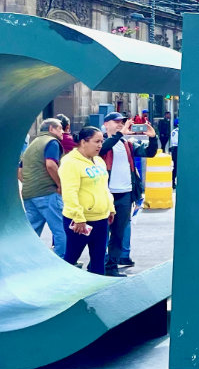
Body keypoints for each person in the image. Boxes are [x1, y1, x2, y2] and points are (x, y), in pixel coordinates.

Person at [100, 111, 157, 276]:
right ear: (106, 124)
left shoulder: (128, 144)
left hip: (125, 194)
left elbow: (150, 153)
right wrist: (119, 134)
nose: (120, 124)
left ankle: (112, 266)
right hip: (106, 194)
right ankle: (97, 264)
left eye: (122, 122)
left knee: (118, 233)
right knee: (102, 232)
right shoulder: (101, 141)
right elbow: (103, 149)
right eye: (116, 121)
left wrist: (153, 137)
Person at [59, 126, 114, 274]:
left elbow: (104, 187)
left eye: (102, 141)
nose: (100, 145)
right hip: (80, 221)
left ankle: (97, 293)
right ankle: (64, 290)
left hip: (101, 219)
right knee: (71, 258)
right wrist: (78, 217)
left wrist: (110, 208)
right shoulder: (70, 162)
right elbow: (70, 192)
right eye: (96, 141)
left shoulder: (98, 161)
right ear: (83, 142)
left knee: (99, 259)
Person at [18, 118, 67, 258]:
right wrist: (60, 185)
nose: (62, 131)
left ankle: (24, 257)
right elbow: (51, 164)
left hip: (29, 194)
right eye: (60, 128)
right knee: (60, 230)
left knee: (32, 229)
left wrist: (30, 183)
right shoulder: (51, 142)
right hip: (47, 193)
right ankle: (62, 259)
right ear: (51, 129)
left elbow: (19, 170)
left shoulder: (32, 144)